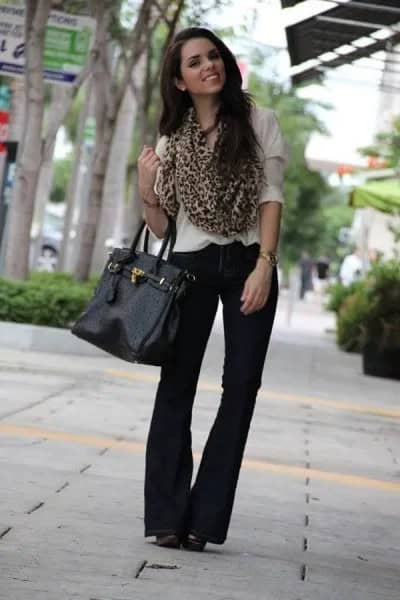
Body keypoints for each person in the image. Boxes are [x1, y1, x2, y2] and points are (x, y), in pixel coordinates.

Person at [137, 27, 287, 552]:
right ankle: (166, 517)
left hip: (248, 260)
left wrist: (264, 265)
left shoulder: (258, 122)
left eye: (214, 56)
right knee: (176, 387)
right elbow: (160, 227)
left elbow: (270, 197)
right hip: (189, 266)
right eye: (196, 61)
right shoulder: (171, 141)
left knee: (241, 387)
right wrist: (145, 191)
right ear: (179, 81)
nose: (210, 66)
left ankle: (205, 519)